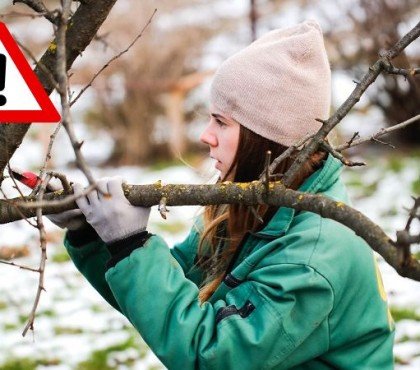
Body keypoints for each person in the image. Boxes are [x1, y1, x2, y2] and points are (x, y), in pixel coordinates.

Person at [49, 20, 395, 369]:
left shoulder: (313, 259)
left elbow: (211, 356)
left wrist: (131, 245)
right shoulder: (248, 208)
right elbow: (166, 298)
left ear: (267, 139)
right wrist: (94, 234)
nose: (205, 135)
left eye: (221, 122)